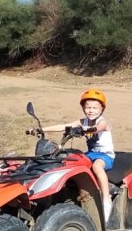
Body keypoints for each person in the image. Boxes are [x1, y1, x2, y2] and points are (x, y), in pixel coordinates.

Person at [44, 89, 116, 220]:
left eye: (95, 108)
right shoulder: (83, 122)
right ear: (83, 108)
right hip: (90, 154)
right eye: (88, 107)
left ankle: (106, 199)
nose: (91, 110)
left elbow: (98, 128)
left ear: (101, 109)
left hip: (105, 155)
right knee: (70, 161)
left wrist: (84, 130)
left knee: (97, 167)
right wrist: (41, 129)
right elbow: (64, 126)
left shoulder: (102, 122)